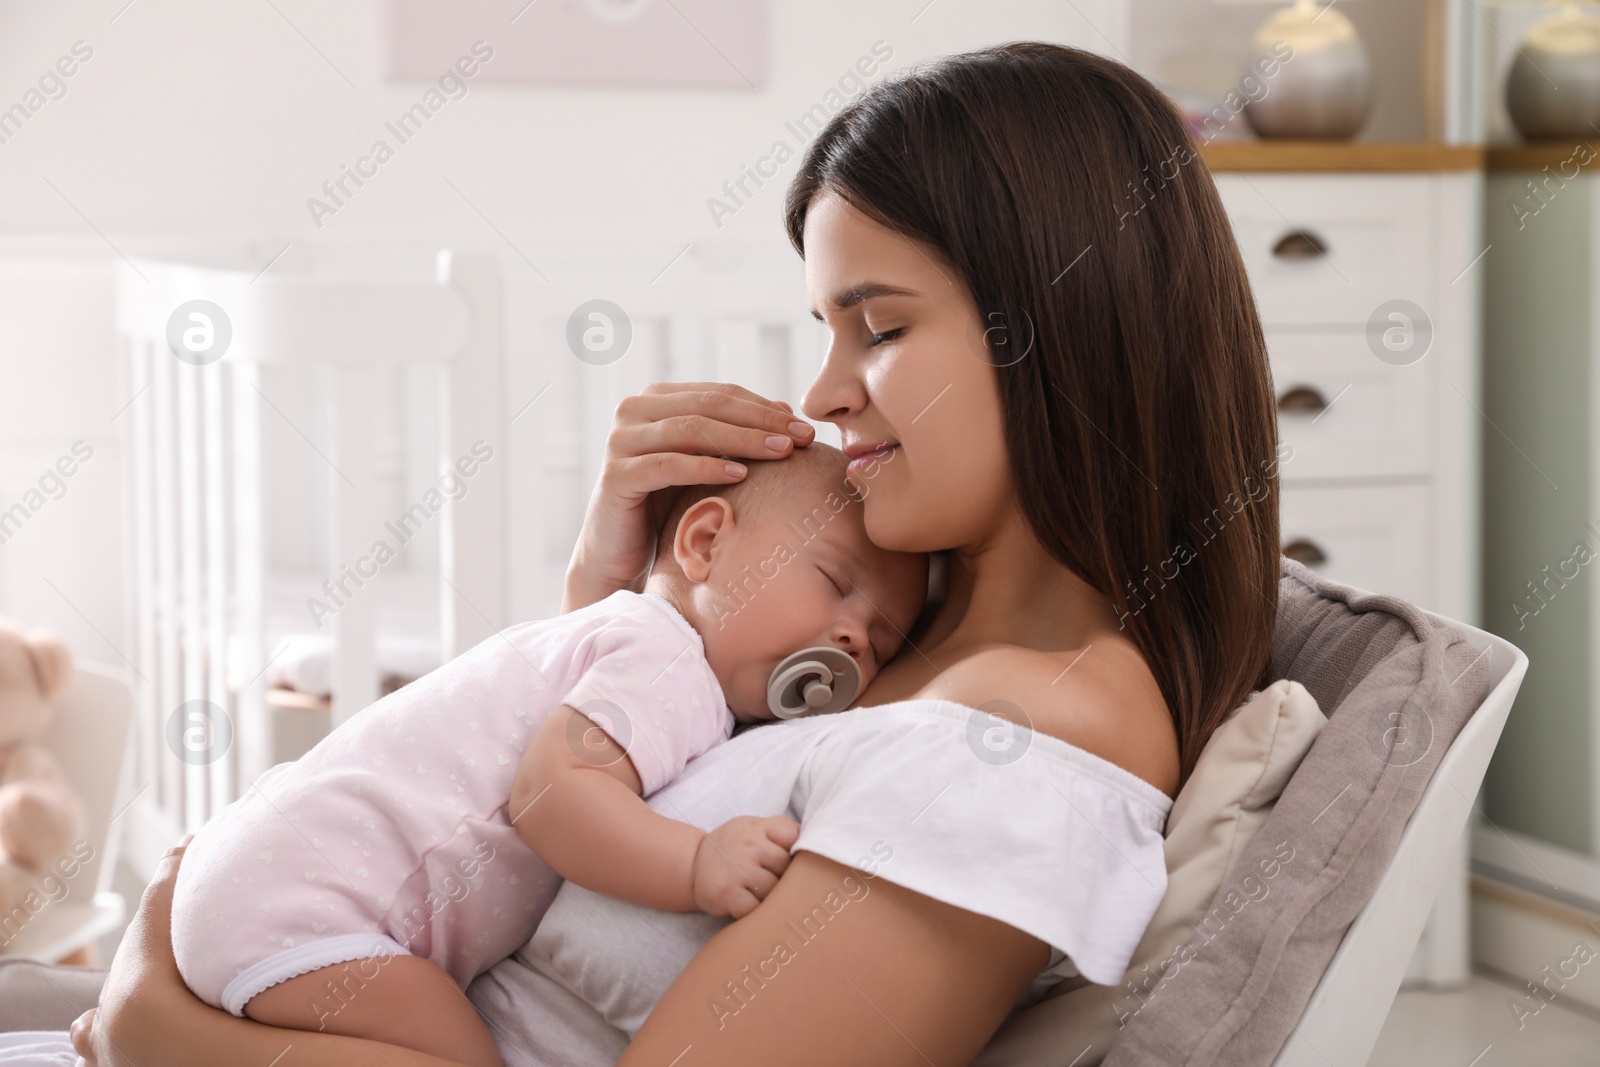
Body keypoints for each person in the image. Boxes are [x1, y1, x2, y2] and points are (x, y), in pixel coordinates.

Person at [70, 41, 1280, 1067]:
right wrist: (624, 603)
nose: (825, 391)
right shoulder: (913, 643)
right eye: (826, 329)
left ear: (1055, 326)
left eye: (884, 327)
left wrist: (150, 1013)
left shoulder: (1017, 743)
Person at [166, 445, 927, 1067]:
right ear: (705, 541)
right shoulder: (669, 665)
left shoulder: (621, 639)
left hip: (254, 874)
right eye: (834, 583)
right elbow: (551, 794)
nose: (854, 635)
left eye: (882, 637)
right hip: (311, 912)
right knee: (461, 1052)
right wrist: (696, 861)